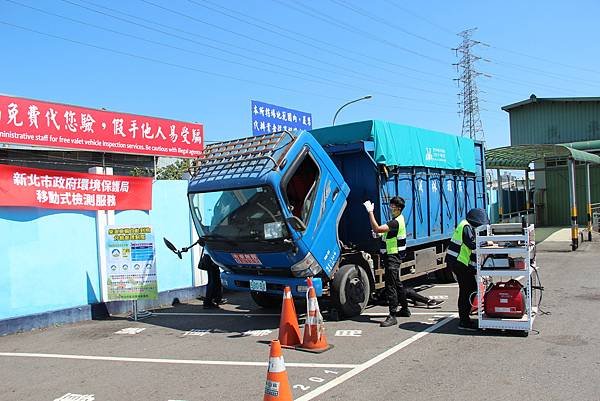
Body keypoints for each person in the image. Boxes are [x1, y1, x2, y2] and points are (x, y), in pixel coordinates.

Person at [364, 196, 411, 327]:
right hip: (393, 256)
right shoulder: (396, 220)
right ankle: (405, 309)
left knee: (390, 285)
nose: (391, 209)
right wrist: (380, 235)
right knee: (397, 283)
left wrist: (370, 212)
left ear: (399, 209)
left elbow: (377, 228)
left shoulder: (395, 222)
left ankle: (392, 315)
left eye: (393, 207)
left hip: (393, 257)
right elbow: (385, 234)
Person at [445, 207, 489, 331]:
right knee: (467, 290)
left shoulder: (465, 225)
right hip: (459, 263)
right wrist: (485, 243)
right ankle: (464, 320)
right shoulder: (465, 227)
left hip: (460, 263)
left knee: (469, 288)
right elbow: (471, 244)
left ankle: (465, 315)